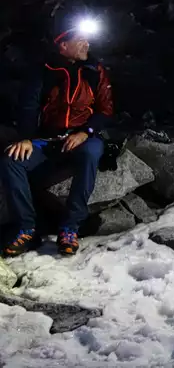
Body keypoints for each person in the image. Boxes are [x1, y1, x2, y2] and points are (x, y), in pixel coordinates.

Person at [1, 17, 114, 257]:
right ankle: (26, 228)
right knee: (12, 161)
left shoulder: (95, 72)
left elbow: (105, 110)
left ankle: (70, 228)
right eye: (80, 40)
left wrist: (85, 132)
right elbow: (28, 107)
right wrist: (26, 138)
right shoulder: (44, 71)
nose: (87, 45)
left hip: (81, 137)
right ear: (63, 45)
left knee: (91, 153)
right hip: (47, 140)